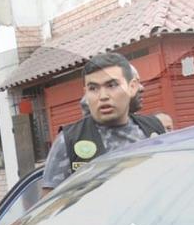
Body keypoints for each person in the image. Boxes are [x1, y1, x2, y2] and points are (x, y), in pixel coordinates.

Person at [42, 52, 166, 193]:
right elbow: (50, 202)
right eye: (93, 88)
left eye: (112, 85)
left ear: (132, 87)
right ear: (86, 93)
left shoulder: (154, 129)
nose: (103, 96)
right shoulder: (69, 140)